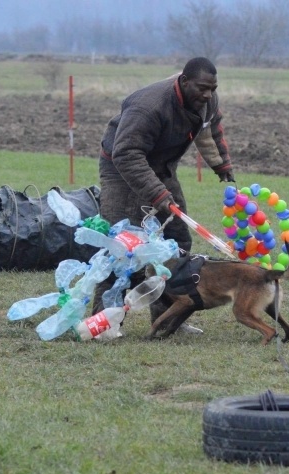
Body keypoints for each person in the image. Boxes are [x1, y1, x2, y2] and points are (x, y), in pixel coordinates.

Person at [92, 57, 235, 332]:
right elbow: (126, 154)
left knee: (176, 241)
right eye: (202, 88)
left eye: (213, 89)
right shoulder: (149, 107)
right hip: (121, 169)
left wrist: (221, 165)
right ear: (184, 81)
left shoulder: (206, 101)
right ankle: (104, 324)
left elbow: (209, 131)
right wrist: (158, 195)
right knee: (121, 248)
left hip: (161, 166)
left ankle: (168, 320)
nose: (208, 95)